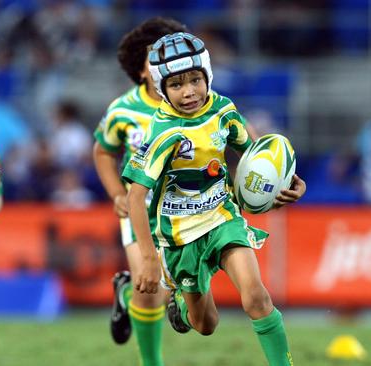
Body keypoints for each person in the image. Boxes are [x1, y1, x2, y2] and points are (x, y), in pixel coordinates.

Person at [122, 32, 306, 366]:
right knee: (206, 325)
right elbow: (136, 199)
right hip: (179, 236)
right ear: (163, 88)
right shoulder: (160, 132)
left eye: (195, 79)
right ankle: (178, 296)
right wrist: (149, 259)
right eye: (177, 84)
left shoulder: (223, 111)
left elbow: (255, 159)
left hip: (222, 217)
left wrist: (286, 184)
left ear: (207, 75)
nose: (189, 91)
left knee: (256, 297)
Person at [92, 17, 187, 366]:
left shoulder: (196, 101)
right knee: (152, 294)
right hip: (141, 210)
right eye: (153, 57)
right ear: (140, 68)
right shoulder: (123, 110)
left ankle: (125, 290)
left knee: (183, 298)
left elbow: (242, 136)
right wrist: (116, 192)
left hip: (190, 209)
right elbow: (103, 151)